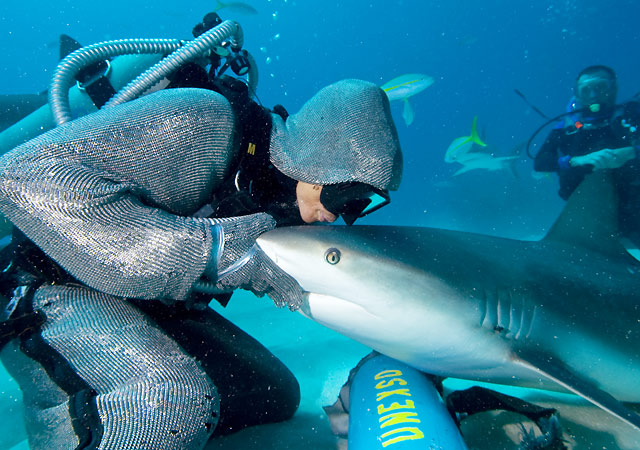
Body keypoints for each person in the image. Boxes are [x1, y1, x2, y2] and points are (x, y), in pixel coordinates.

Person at [0, 60, 402, 450]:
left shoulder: (279, 199)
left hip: (144, 301)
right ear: (319, 155)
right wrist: (215, 249)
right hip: (47, 284)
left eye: (355, 206)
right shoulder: (203, 121)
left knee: (271, 395)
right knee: (171, 403)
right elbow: (21, 175)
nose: (334, 215)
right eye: (340, 195)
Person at [534, 65, 640, 243]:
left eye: (600, 87)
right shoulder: (566, 127)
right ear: (577, 93)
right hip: (588, 216)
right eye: (586, 90)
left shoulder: (632, 116)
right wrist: (574, 161)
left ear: (613, 89)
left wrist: (632, 152)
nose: (593, 95)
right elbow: (540, 162)